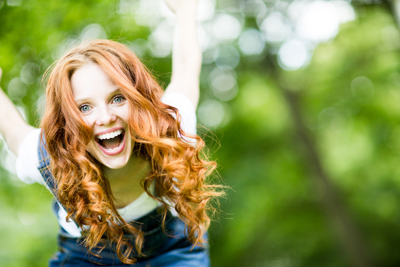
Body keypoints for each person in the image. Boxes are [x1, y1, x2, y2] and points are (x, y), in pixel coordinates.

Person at [0, 0, 224, 266]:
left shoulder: (167, 126)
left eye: (118, 98)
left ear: (138, 100)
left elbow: (186, 71)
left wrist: (186, 11)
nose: (105, 118)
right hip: (85, 256)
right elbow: (13, 129)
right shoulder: (51, 155)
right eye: (85, 107)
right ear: (67, 122)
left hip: (172, 250)